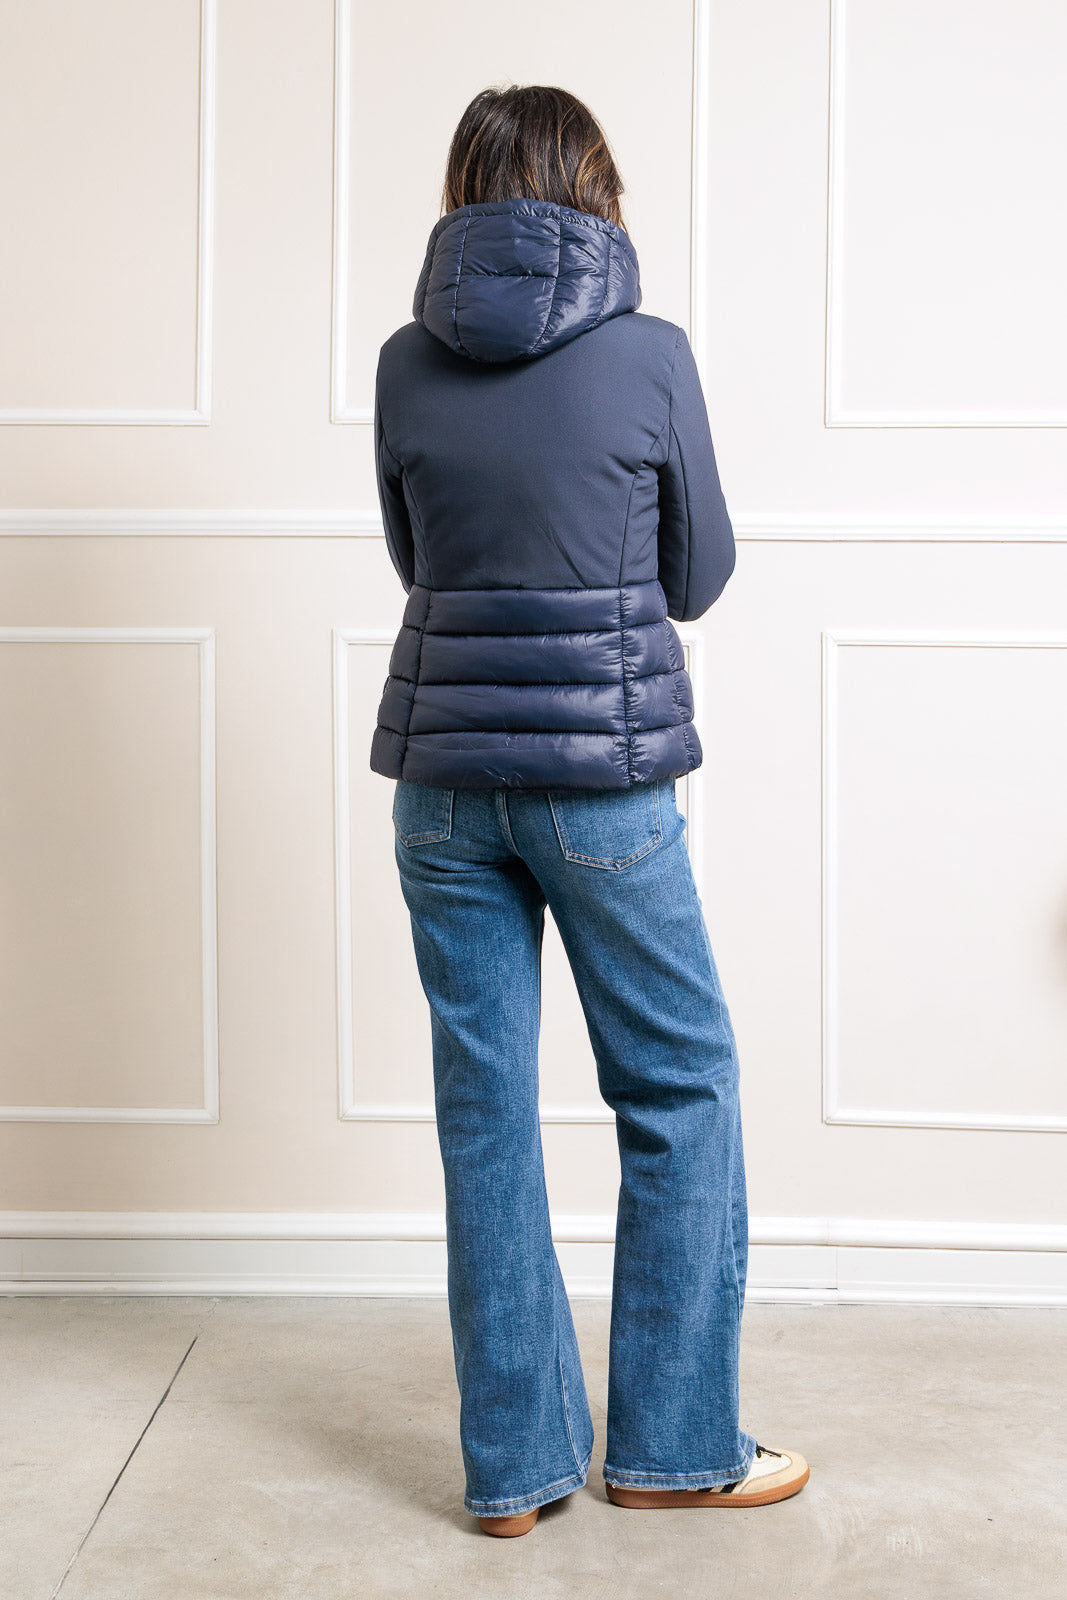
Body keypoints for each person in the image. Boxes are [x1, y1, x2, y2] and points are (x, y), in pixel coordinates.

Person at [369, 83, 809, 1536]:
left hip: (442, 789)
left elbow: (415, 560)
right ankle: (674, 1449)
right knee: (679, 1086)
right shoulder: (649, 352)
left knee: (484, 1111)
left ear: (463, 193)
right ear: (595, 188)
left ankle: (514, 1475)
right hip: (603, 786)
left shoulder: (403, 362)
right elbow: (698, 576)